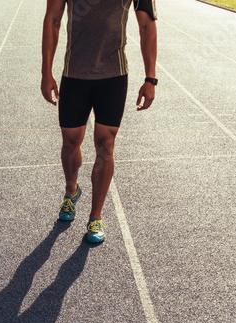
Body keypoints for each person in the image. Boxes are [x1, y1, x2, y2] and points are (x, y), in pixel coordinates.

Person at [41, 0, 158, 244]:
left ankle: (96, 217)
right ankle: (71, 190)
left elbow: (146, 25)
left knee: (106, 145)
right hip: (74, 74)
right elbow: (52, 19)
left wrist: (150, 78)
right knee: (71, 141)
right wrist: (46, 72)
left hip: (114, 76)